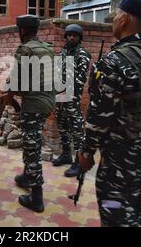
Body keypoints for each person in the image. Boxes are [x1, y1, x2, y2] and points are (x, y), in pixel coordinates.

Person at [78, 0, 141, 227]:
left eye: (115, 15)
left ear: (123, 19)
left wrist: (86, 153)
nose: (113, 20)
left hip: (118, 161)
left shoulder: (115, 61)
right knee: (133, 213)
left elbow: (99, 117)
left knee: (113, 215)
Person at [5, 15, 55, 213]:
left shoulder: (25, 49)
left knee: (31, 148)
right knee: (32, 140)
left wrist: (9, 95)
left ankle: (37, 198)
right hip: (47, 103)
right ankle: (27, 177)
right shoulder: (47, 48)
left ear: (22, 31)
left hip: (33, 105)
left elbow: (17, 80)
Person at [52, 24, 91, 178]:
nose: (71, 37)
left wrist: (64, 89)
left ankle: (79, 162)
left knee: (77, 130)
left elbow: (80, 80)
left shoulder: (83, 55)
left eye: (75, 35)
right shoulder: (62, 53)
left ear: (79, 37)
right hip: (60, 97)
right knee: (62, 125)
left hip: (72, 98)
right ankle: (66, 154)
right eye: (69, 35)